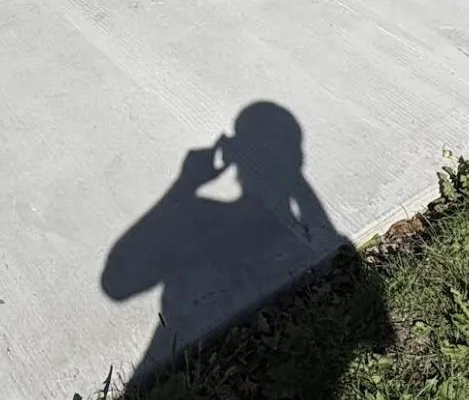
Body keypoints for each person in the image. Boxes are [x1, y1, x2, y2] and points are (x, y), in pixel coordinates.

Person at [100, 101, 341, 381]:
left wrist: (184, 185)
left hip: (190, 385)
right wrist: (292, 177)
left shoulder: (198, 216)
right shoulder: (281, 232)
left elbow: (116, 284)